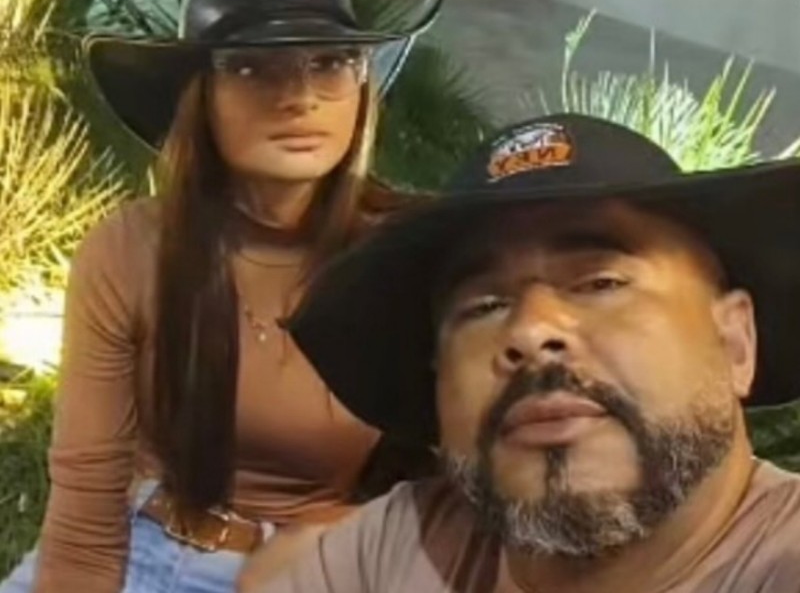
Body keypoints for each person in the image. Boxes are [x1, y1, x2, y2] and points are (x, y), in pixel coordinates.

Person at [0, 0, 442, 592]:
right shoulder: (132, 249)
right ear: (199, 94)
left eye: (331, 62)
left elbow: (494, 479)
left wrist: (349, 531)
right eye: (254, 66)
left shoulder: (411, 259)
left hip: (307, 570)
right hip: (137, 541)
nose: (300, 96)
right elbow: (86, 505)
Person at [249, 114, 800, 593]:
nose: (531, 330)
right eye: (484, 306)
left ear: (736, 342)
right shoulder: (395, 547)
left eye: (600, 283)